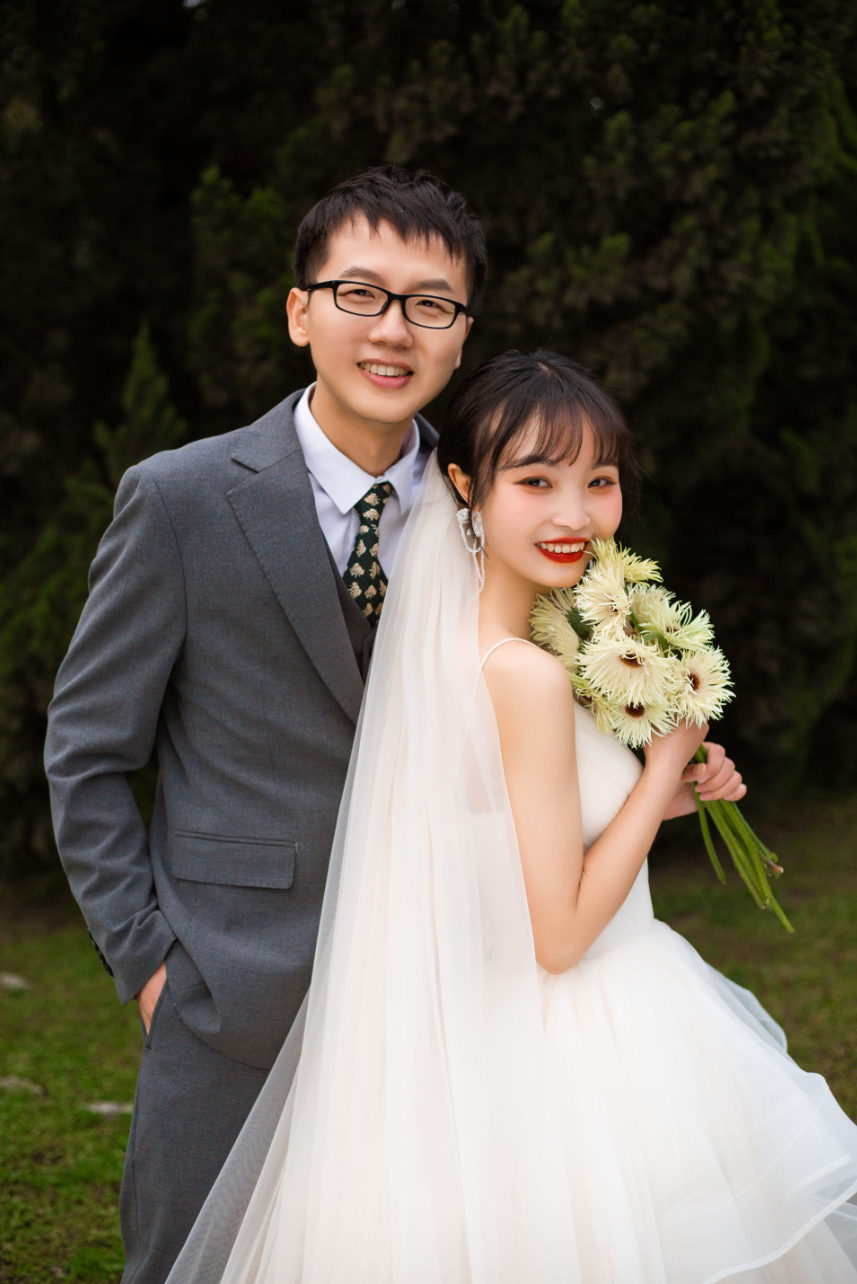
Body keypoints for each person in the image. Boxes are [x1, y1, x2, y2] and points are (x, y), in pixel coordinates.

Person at [163, 349, 857, 1284]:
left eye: (599, 481)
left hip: (479, 1036)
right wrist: (660, 766)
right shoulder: (526, 673)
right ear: (465, 486)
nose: (575, 515)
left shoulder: (482, 647)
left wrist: (662, 797)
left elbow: (497, 836)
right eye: (536, 481)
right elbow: (560, 935)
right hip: (579, 1034)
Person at [43, 165, 485, 1284]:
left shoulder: (494, 509)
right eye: (359, 293)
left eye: (430, 304)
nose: (393, 329)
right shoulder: (181, 499)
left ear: (461, 333)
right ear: (300, 312)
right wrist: (151, 965)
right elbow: (88, 754)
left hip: (451, 994)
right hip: (231, 996)